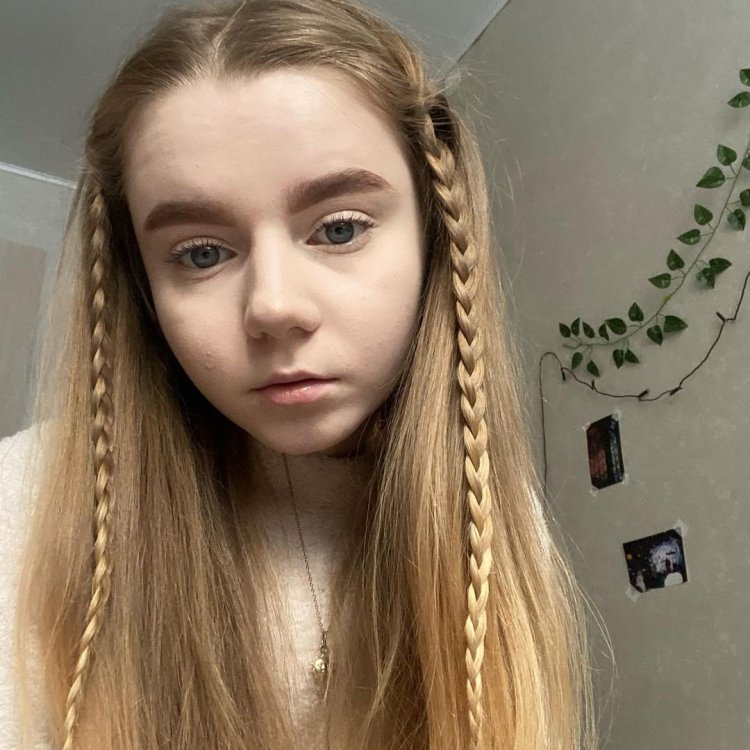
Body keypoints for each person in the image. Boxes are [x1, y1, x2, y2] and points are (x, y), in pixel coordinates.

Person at [1, 0, 601, 748]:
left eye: (339, 229)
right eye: (200, 253)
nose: (274, 307)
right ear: (143, 286)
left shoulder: (494, 518)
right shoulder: (25, 503)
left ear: (435, 236)